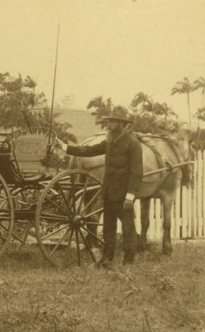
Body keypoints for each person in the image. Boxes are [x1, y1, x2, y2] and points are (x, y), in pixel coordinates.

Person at [56, 105, 143, 267]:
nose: (109, 125)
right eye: (109, 121)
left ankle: (129, 262)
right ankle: (106, 259)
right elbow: (89, 150)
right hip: (108, 193)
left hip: (124, 195)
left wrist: (130, 195)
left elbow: (137, 172)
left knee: (128, 229)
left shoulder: (133, 144)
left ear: (123, 124)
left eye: (113, 122)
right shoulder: (109, 142)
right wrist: (65, 147)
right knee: (108, 228)